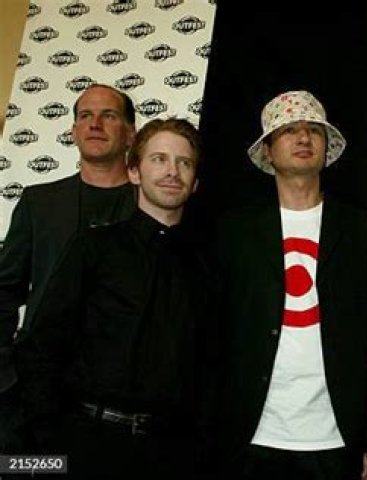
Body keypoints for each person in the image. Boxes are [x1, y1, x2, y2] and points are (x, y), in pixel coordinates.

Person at [15, 117, 214, 479]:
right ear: (134, 172)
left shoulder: (207, 267)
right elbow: (42, 346)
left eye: (184, 163)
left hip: (172, 456)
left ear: (196, 182)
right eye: (159, 159)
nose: (172, 171)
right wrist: (49, 440)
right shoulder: (92, 248)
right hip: (84, 446)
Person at [213, 90, 367, 479]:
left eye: (314, 130)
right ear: (268, 150)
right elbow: (213, 335)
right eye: (289, 130)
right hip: (249, 436)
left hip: (334, 438)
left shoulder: (359, 229)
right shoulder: (234, 231)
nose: (304, 138)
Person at [0, 84, 137, 451]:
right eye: (85, 116)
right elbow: (4, 290)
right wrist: (6, 373)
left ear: (130, 133)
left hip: (118, 404)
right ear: (74, 131)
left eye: (108, 115)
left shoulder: (152, 204)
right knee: (28, 471)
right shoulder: (39, 203)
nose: (95, 124)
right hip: (35, 397)